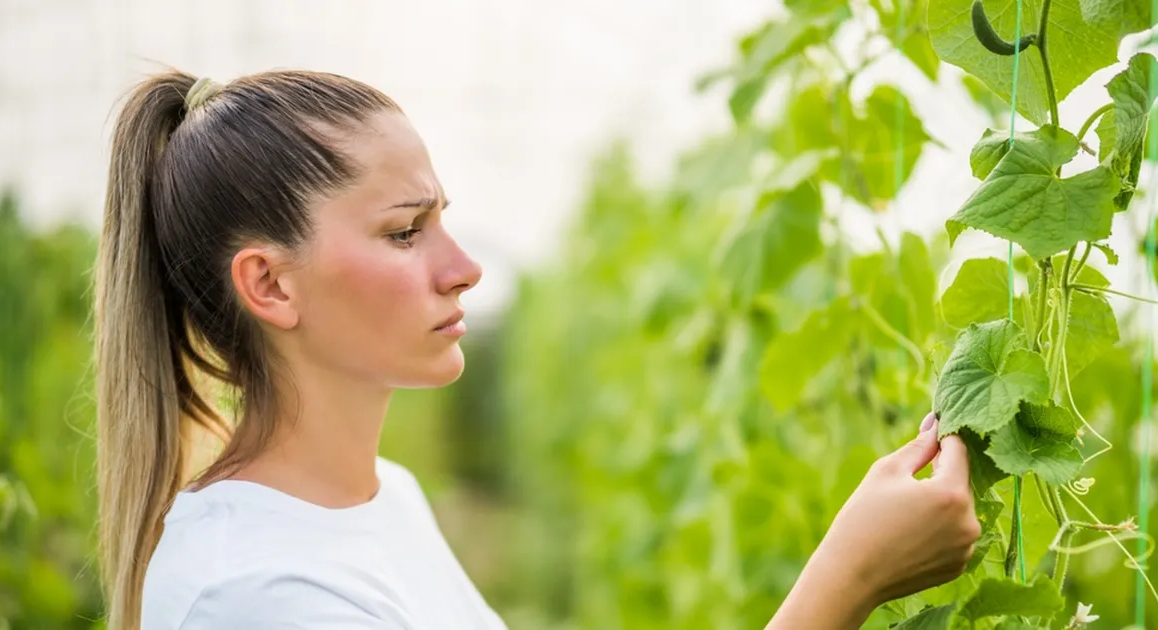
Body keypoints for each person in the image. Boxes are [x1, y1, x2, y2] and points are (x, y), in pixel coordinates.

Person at [93, 69, 981, 630]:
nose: (464, 269)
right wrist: (847, 578)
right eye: (405, 232)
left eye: (442, 219)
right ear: (271, 285)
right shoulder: (254, 594)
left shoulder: (385, 498)